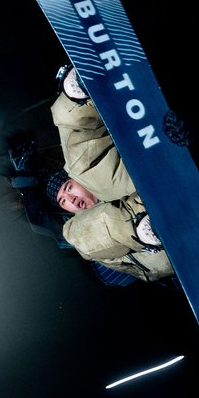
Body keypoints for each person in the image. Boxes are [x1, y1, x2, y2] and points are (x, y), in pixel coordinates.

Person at [44, 64, 176, 284]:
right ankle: (145, 227)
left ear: (75, 181)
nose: (71, 200)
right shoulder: (86, 237)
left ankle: (77, 92)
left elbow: (77, 141)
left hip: (158, 183)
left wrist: (72, 99)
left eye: (68, 188)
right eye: (63, 202)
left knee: (81, 164)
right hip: (163, 248)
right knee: (77, 237)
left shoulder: (85, 169)